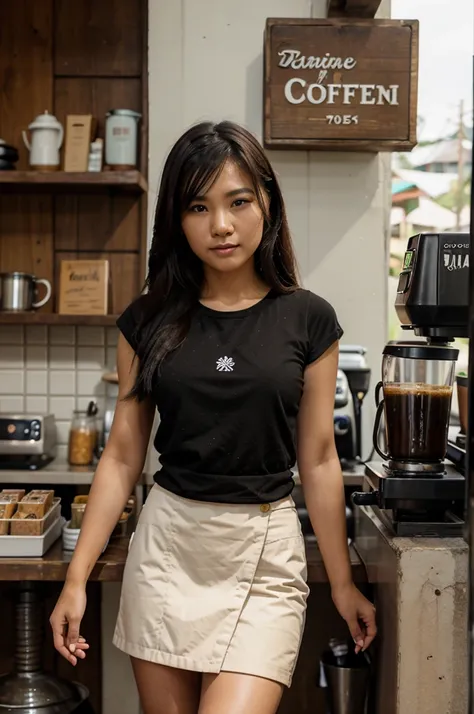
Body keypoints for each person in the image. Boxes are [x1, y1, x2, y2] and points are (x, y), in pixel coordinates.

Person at [50, 120, 376, 714]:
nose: (220, 225)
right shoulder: (147, 320)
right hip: (169, 546)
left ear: (267, 202)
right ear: (177, 218)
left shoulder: (309, 319)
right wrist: (76, 579)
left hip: (264, 553)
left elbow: (320, 458)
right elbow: (123, 456)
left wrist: (344, 581)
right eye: (198, 207)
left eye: (238, 201)